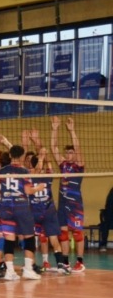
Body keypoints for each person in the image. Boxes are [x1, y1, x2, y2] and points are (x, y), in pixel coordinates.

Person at [0, 145, 45, 281]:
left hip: (5, 207)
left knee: (9, 239)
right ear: (22, 157)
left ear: (10, 155)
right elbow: (28, 191)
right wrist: (38, 188)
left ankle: (10, 272)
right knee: (29, 237)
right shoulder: (24, 171)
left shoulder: (1, 171)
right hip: (21, 207)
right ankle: (28, 269)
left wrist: (4, 194)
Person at [51, 116, 86, 272]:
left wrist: (72, 131)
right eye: (68, 153)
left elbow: (78, 149)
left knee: (77, 234)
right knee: (63, 234)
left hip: (75, 204)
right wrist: (55, 129)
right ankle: (65, 262)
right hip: (63, 204)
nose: (69, 154)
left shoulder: (79, 166)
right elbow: (54, 148)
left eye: (71, 152)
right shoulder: (63, 165)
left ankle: (80, 262)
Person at [99, 186, 113, 252]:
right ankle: (103, 244)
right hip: (109, 214)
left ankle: (103, 245)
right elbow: (109, 206)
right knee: (105, 225)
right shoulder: (112, 193)